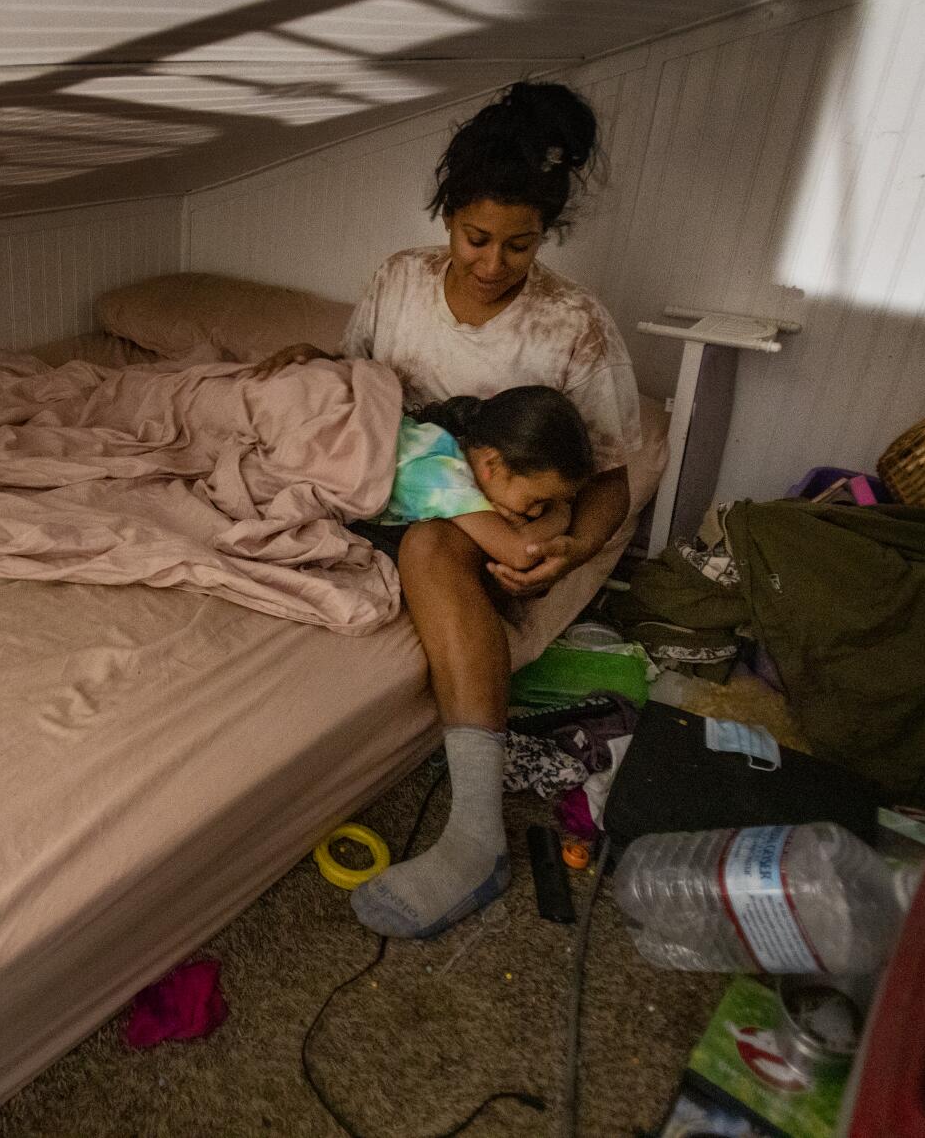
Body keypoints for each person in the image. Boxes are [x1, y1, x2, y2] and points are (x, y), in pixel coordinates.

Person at [255, 81, 641, 938]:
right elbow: (362, 386)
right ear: (446, 214)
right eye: (476, 238)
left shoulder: (574, 326)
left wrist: (572, 548)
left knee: (433, 544)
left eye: (520, 244)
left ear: (547, 233)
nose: (494, 264)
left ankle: (476, 837)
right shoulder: (399, 280)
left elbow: (614, 472)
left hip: (493, 514)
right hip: (396, 480)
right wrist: (311, 361)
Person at [375, 388, 595, 574]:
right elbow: (519, 553)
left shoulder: (450, 442)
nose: (537, 513)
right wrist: (562, 513)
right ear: (492, 463)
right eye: (537, 500)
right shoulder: (441, 475)